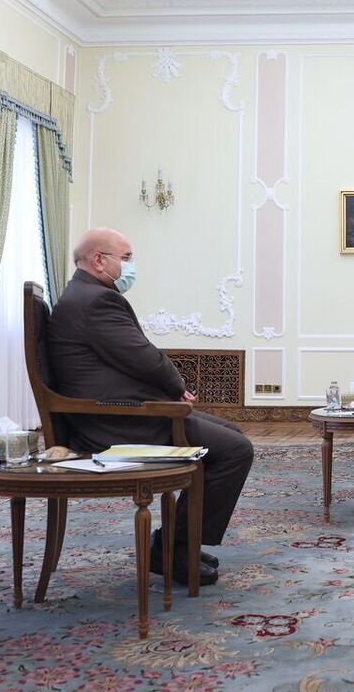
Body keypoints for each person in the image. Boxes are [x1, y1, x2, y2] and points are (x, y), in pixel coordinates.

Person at [47, 227, 255, 586]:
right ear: (99, 261)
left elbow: (126, 359)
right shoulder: (96, 301)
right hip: (117, 422)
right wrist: (177, 387)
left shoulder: (81, 294)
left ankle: (179, 539)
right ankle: (173, 548)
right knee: (236, 450)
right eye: (126, 258)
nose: (131, 266)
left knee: (230, 434)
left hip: (116, 412)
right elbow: (143, 357)